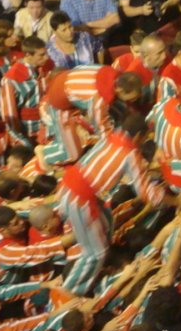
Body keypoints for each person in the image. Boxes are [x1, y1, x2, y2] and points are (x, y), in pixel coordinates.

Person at [58, 113, 169, 295]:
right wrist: (176, 200)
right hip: (80, 198)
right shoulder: (130, 152)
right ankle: (66, 295)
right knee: (95, 253)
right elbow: (146, 193)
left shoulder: (112, 135)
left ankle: (101, 269)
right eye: (144, 137)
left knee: (108, 223)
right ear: (138, 136)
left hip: (74, 189)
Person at [37, 65, 142, 167]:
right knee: (72, 154)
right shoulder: (99, 100)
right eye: (131, 98)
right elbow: (103, 131)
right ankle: (44, 152)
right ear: (120, 90)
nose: (132, 101)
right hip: (59, 104)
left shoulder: (109, 71)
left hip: (66, 84)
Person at [0, 36, 52, 146]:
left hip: (49, 125)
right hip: (28, 131)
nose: (46, 57)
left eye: (46, 53)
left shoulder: (47, 67)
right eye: (41, 55)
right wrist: (20, 141)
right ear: (28, 55)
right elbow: (9, 115)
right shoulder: (11, 79)